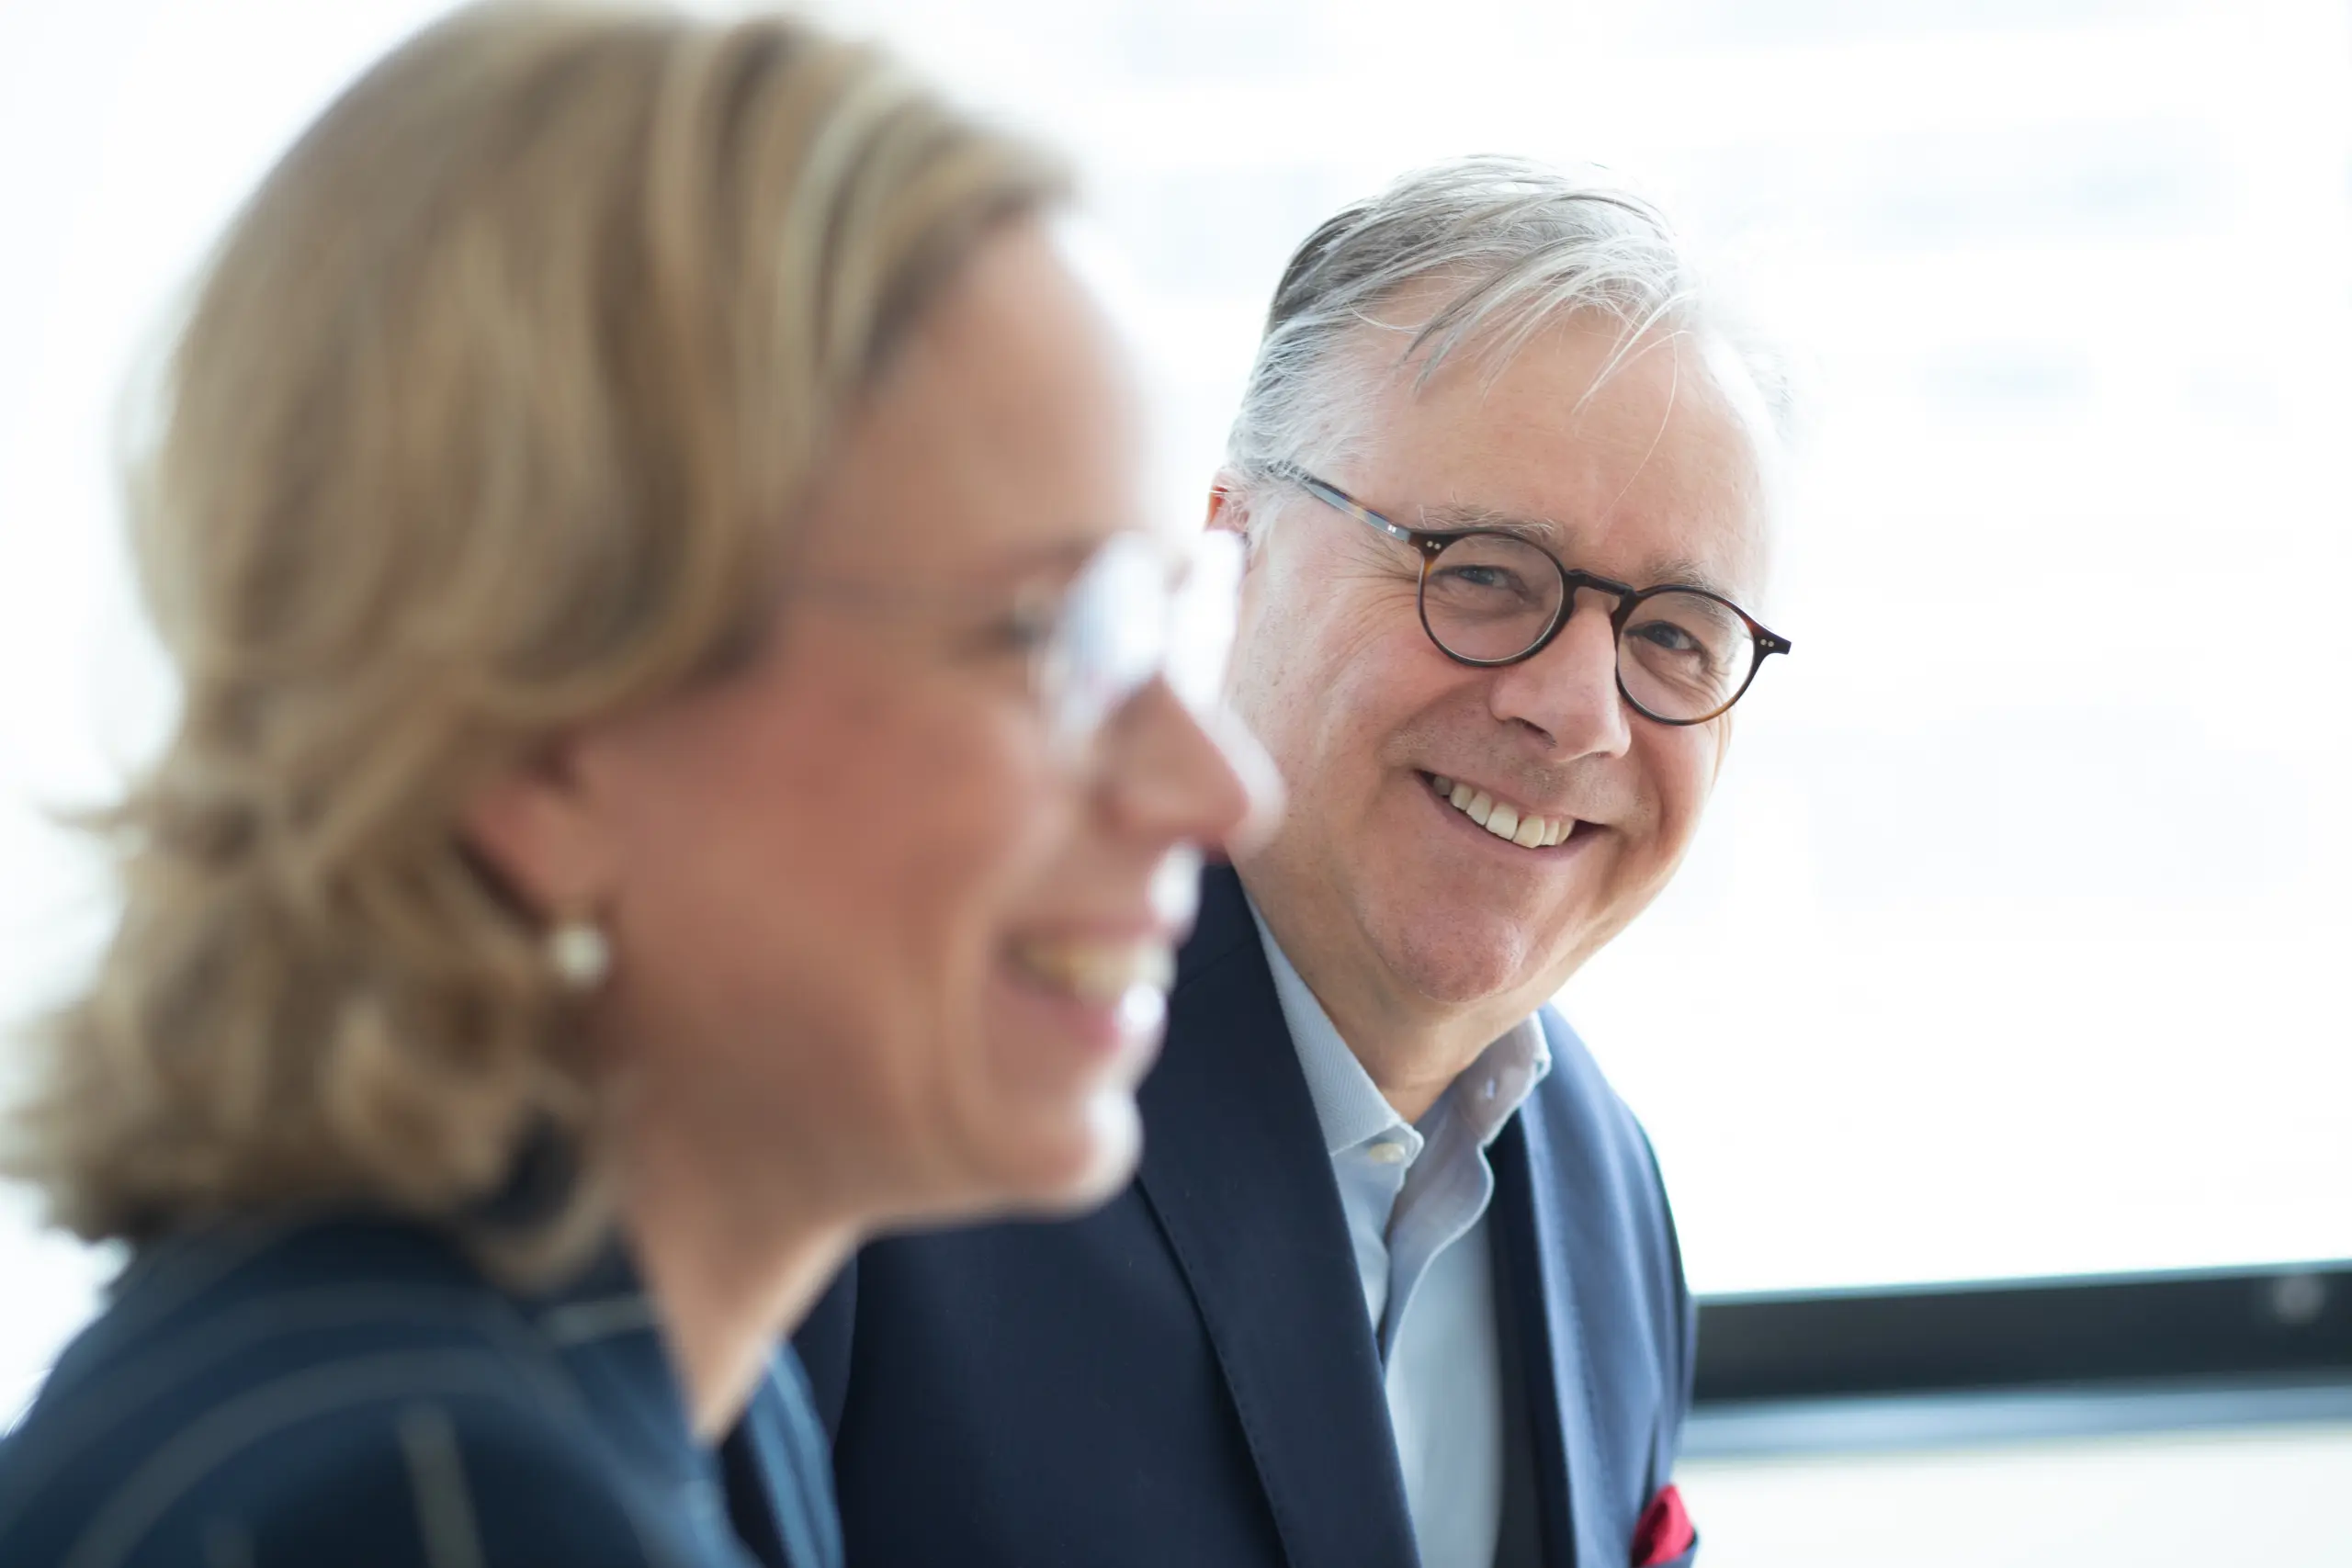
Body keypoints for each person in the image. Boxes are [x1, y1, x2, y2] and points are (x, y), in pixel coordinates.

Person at [0, 5, 1270, 1566]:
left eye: (1168, 621)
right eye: (1054, 634)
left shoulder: (666, 1394)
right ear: (540, 733)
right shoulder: (441, 1506)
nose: (1219, 789)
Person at [789, 157, 1792, 1568]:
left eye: (1676, 635)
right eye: (1484, 573)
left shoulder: (1606, 1188)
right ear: (1231, 548)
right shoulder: (883, 1108)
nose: (1581, 713)